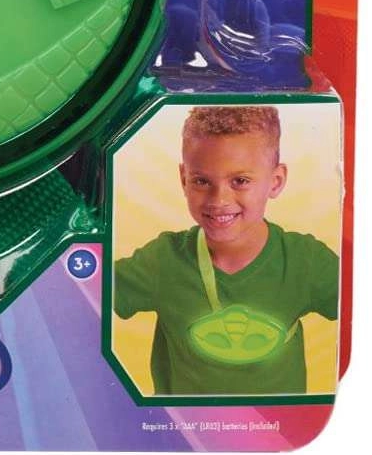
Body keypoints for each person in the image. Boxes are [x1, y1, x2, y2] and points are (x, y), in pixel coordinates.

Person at [114, 105, 338, 395]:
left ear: (276, 181)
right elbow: (80, 295)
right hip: (180, 424)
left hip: (277, 424)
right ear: (184, 179)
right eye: (201, 181)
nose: (219, 200)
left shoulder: (305, 261)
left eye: (240, 181)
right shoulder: (162, 260)